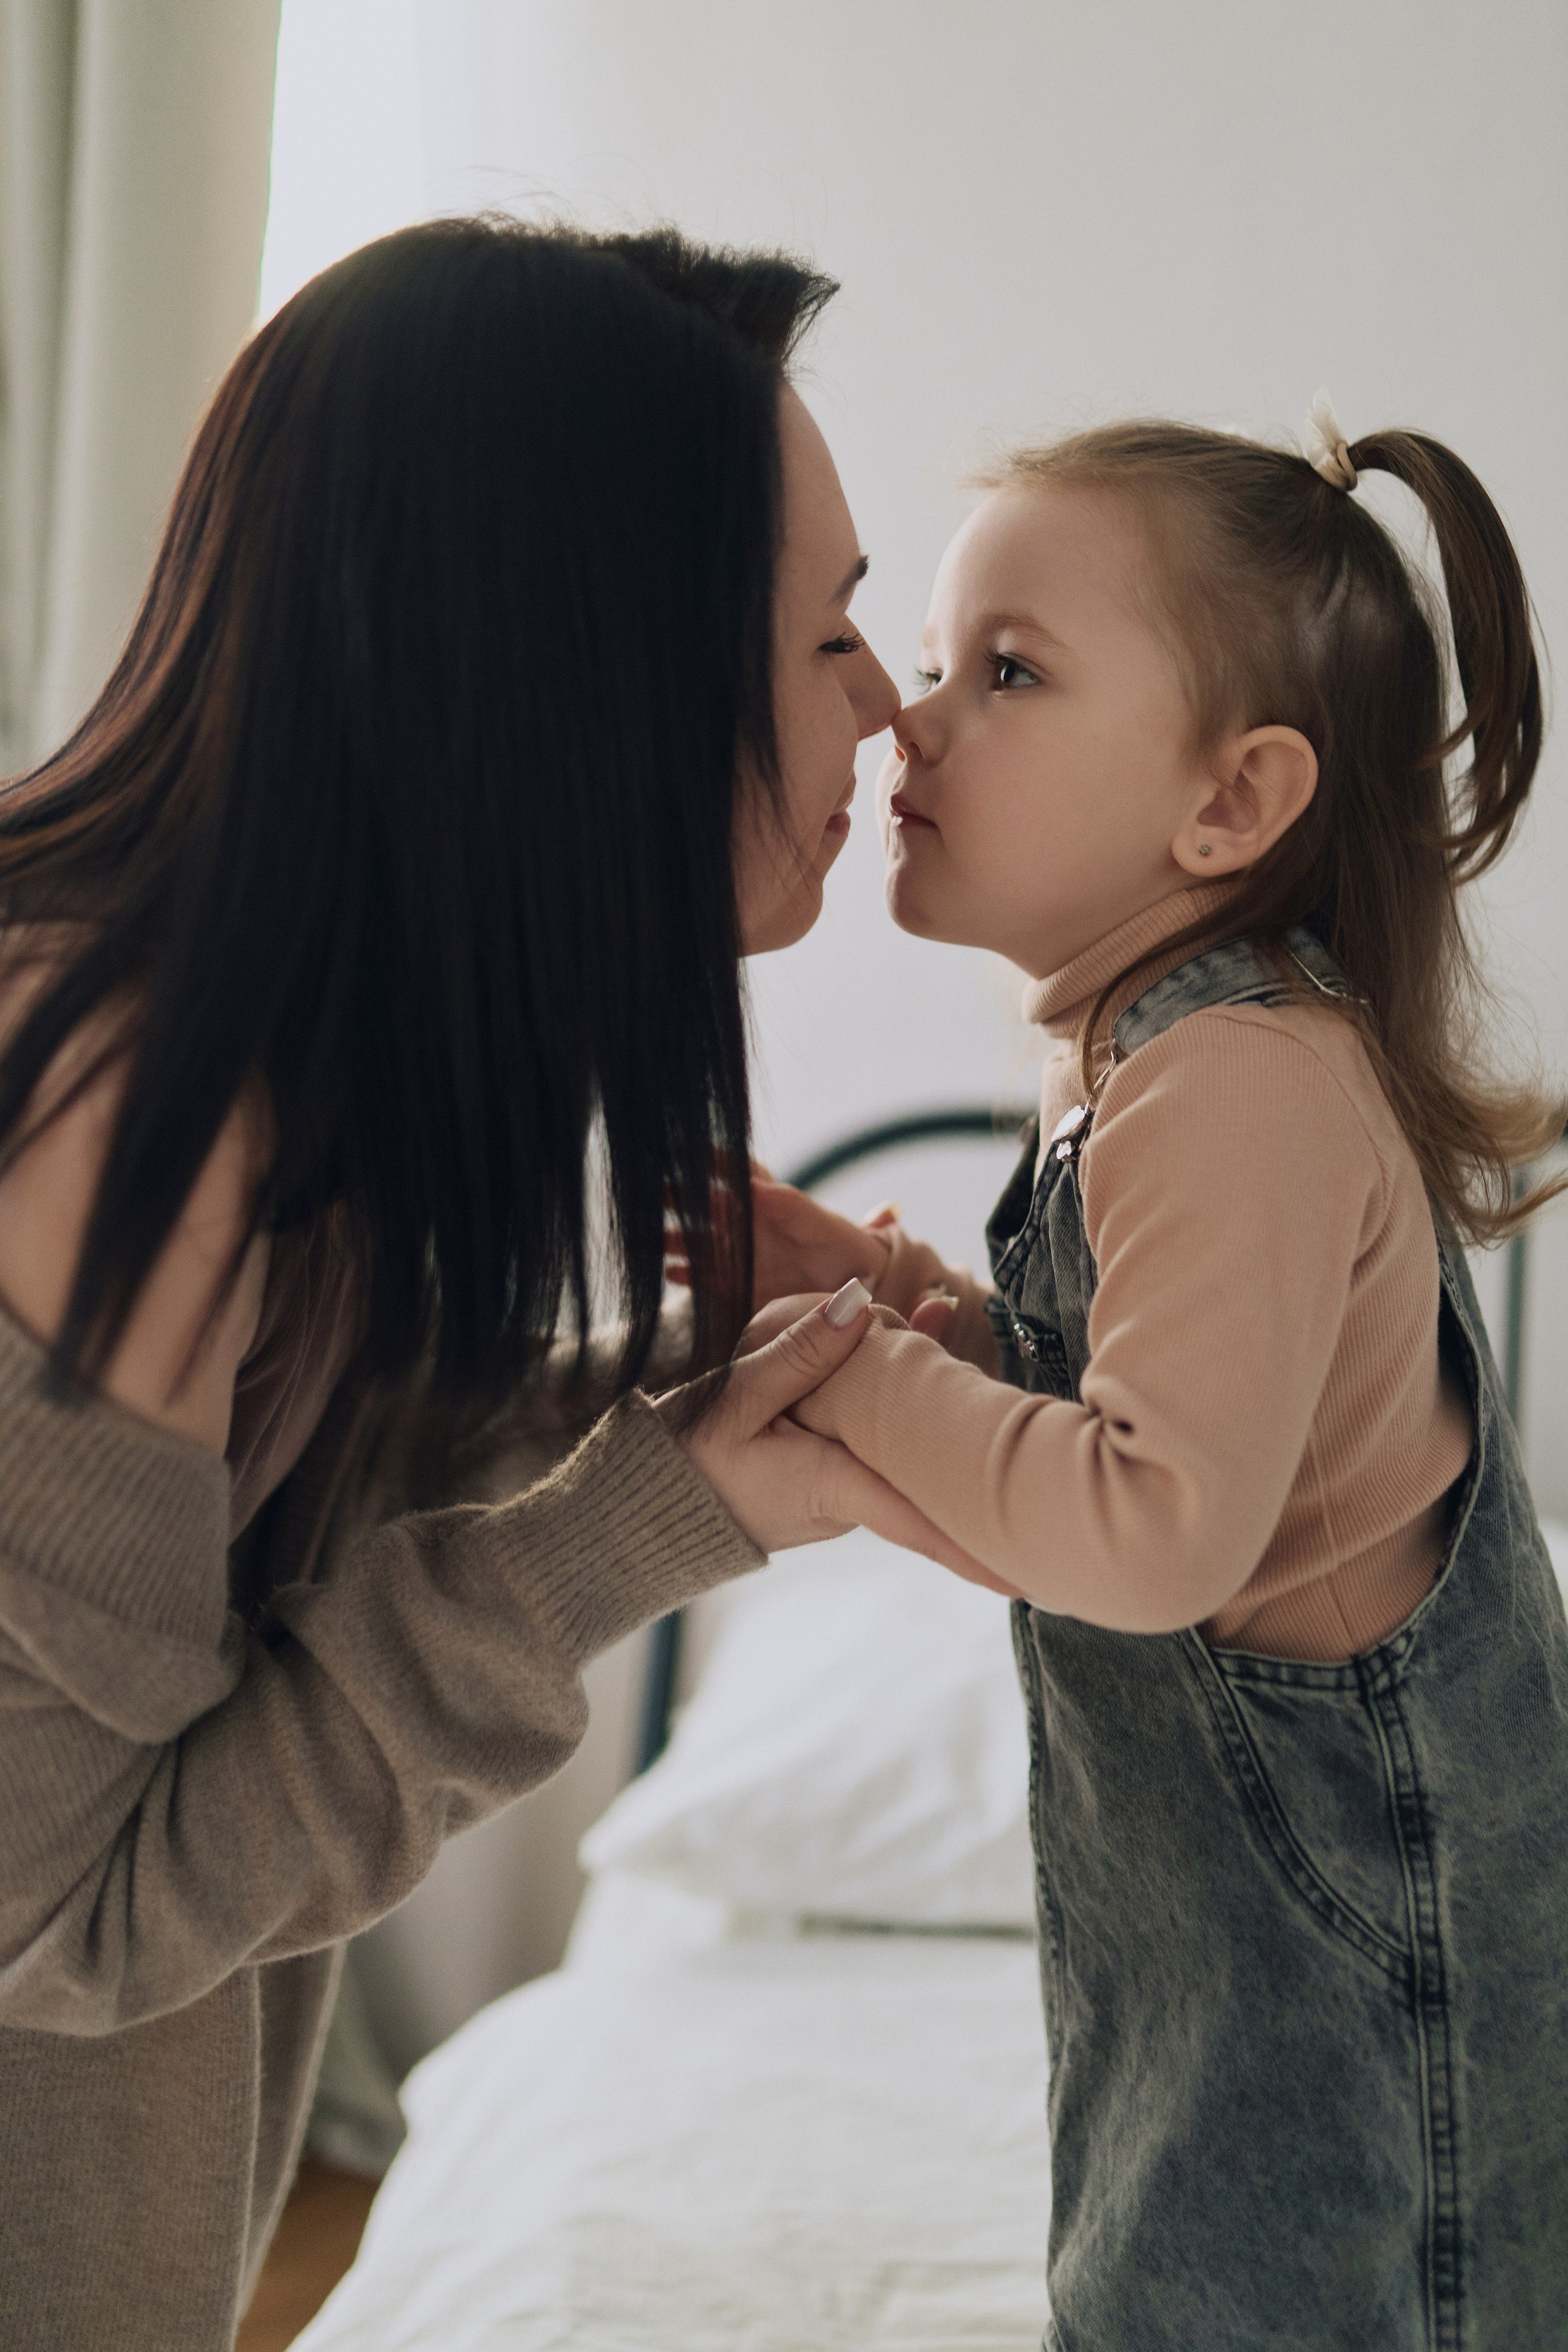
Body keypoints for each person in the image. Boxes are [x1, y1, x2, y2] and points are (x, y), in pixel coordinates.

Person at [0, 217, 991, 2351]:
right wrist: (656, 1515)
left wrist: (659, 1386)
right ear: (588, 661)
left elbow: (234, 1553)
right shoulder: (112, 1095)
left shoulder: (292, 1062)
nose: (888, 708)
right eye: (827, 632)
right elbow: (69, 1912)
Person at [738, 402, 1568, 2347]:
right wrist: (892, 1289)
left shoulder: (1241, 1083)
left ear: (1229, 805)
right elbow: (1108, 1422)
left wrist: (847, 1363)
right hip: (1225, 1951)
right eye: (938, 663)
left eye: (1005, 674)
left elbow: (1148, 1529)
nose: (911, 721)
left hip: (1365, 1967)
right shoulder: (1138, 1059)